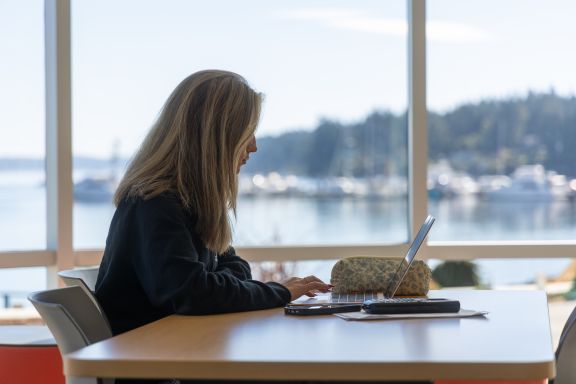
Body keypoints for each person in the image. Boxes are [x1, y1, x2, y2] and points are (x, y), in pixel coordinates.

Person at [95, 70, 430, 384]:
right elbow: (192, 293)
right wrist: (280, 292)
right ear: (217, 138)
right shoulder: (155, 205)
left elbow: (231, 268)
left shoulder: (186, 204)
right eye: (246, 132)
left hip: (189, 358)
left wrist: (222, 286)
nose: (253, 146)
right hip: (171, 368)